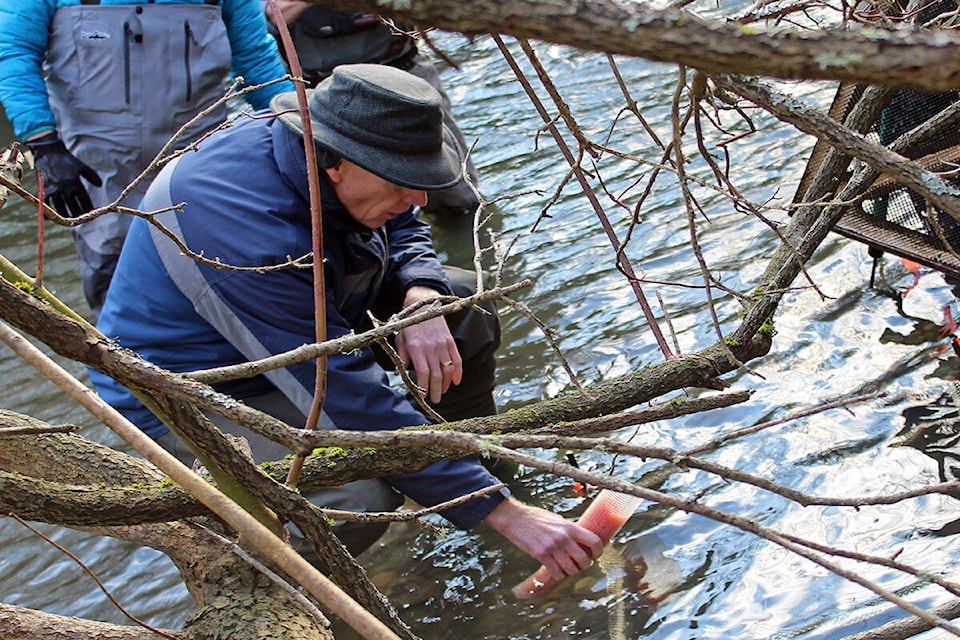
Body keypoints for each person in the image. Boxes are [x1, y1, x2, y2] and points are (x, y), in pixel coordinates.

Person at [90, 64, 602, 578]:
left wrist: (420, 291)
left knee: (460, 306)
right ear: (337, 165)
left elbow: (403, 220)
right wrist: (502, 513)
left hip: (312, 315)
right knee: (356, 492)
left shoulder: (341, 154)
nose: (421, 200)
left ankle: (467, 465)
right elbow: (344, 397)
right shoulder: (246, 235)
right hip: (192, 384)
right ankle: (270, 588)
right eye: (406, 182)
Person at [0, 0, 296, 317]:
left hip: (200, 157)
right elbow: (13, 52)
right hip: (96, 166)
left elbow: (258, 65)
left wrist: (296, 130)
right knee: (112, 278)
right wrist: (44, 143)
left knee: (221, 269)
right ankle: (119, 362)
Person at [262, 0, 481, 217]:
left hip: (405, 77)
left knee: (459, 194)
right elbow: (265, 20)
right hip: (326, 92)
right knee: (353, 202)